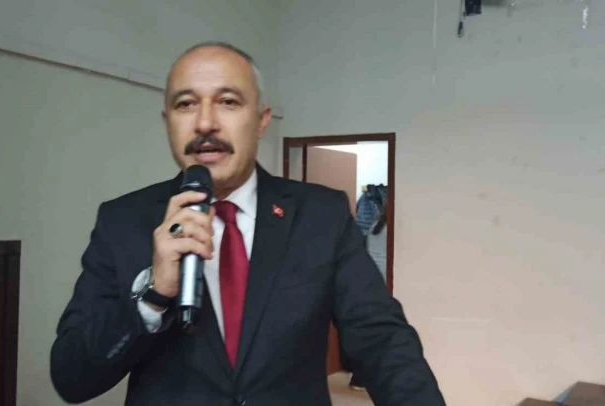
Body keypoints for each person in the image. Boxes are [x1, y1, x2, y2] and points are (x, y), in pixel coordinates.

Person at [50, 41, 446, 406]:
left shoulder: (321, 215)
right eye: (186, 104)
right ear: (167, 121)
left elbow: (382, 341)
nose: (205, 123)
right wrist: (153, 295)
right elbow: (72, 378)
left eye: (228, 101)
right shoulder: (122, 221)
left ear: (261, 120)